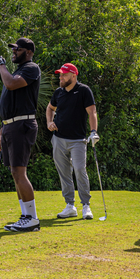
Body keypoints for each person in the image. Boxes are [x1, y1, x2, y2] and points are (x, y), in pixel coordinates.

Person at [0, 38, 41, 233]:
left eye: (17, 49)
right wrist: (2, 128)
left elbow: (11, 84)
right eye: (13, 49)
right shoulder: (17, 71)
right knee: (15, 173)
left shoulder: (31, 68)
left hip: (22, 124)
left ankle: (32, 218)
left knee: (20, 173)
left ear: (28, 52)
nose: (14, 52)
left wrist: (1, 65)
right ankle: (24, 216)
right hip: (11, 126)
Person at [46, 63, 99, 220]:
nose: (60, 77)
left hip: (78, 140)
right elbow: (50, 108)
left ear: (73, 76)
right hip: (58, 138)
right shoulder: (58, 92)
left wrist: (94, 132)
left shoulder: (83, 91)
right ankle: (70, 206)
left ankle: (86, 206)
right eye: (60, 75)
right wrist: (49, 122)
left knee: (79, 170)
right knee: (64, 173)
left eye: (64, 74)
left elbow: (92, 112)